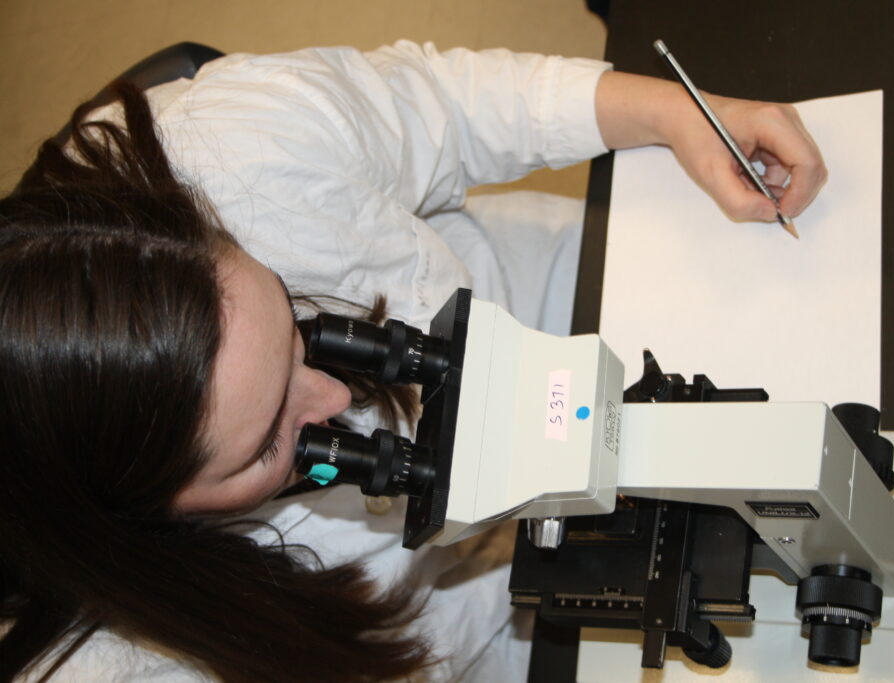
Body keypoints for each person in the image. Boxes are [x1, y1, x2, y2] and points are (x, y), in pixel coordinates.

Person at [0, 41, 826, 681]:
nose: (333, 395)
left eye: (296, 331)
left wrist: (678, 113)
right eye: (265, 445)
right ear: (139, 515)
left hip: (563, 303)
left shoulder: (228, 148)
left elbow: (448, 110)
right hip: (492, 636)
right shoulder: (125, 655)